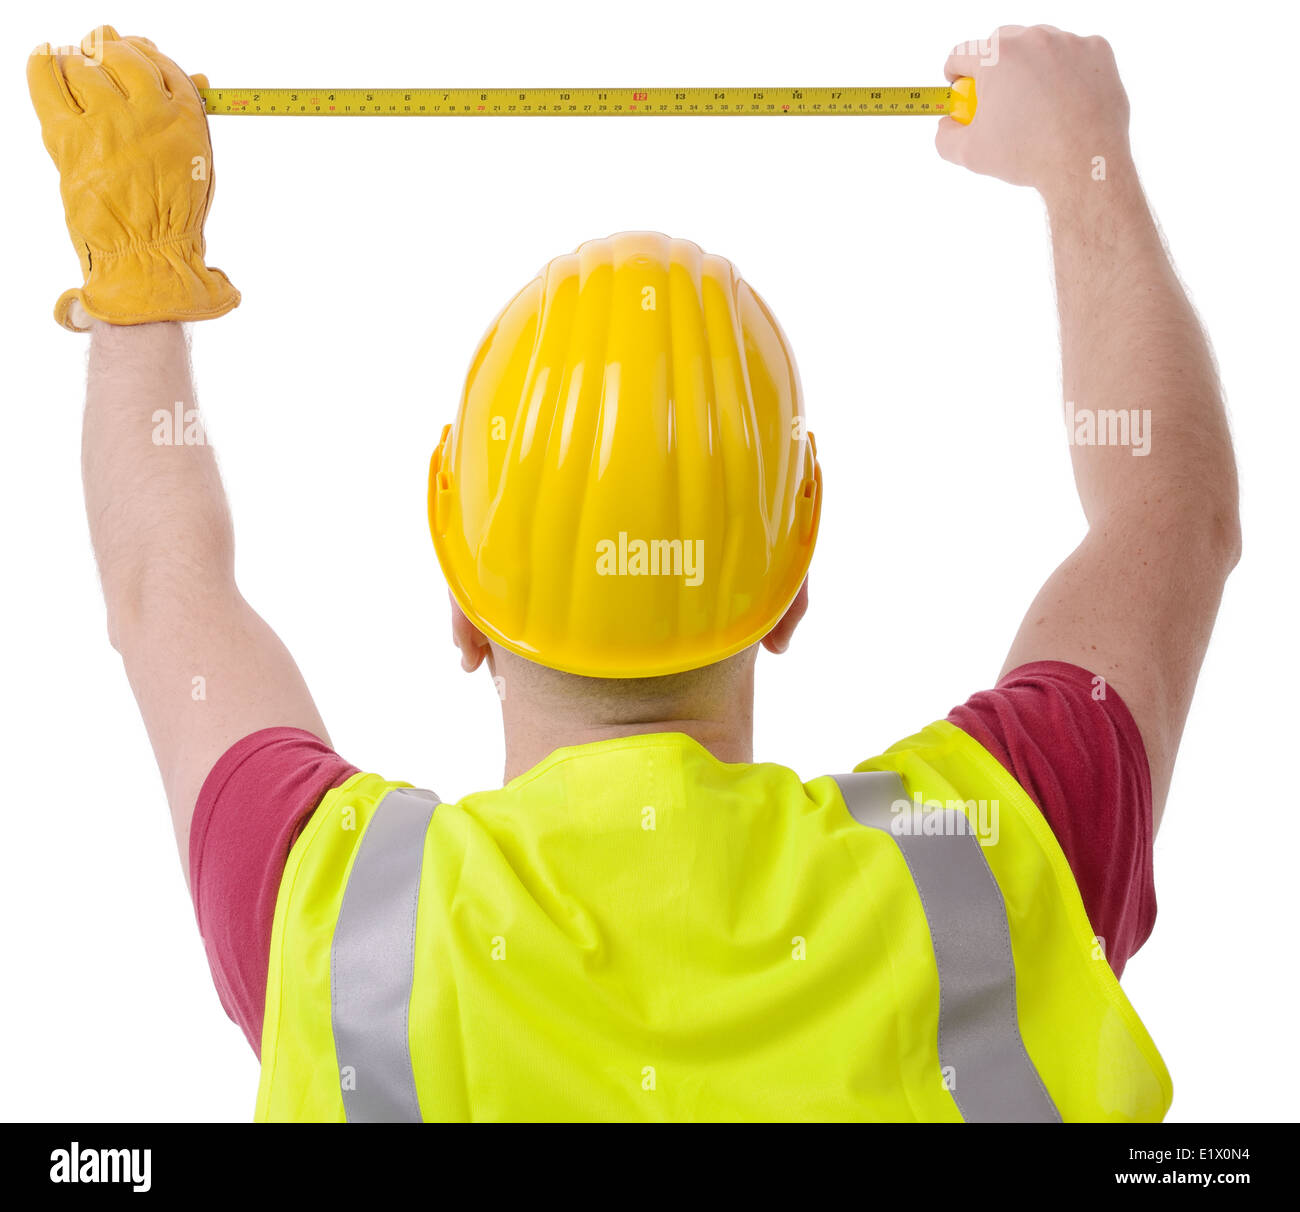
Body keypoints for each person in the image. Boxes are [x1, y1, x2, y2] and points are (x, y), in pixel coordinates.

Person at [28, 24, 1239, 1122]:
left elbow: (163, 593)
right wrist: (1087, 156)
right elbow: (1169, 519)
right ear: (791, 593)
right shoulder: (984, 855)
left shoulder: (339, 923)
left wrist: (137, 279)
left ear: (462, 608)